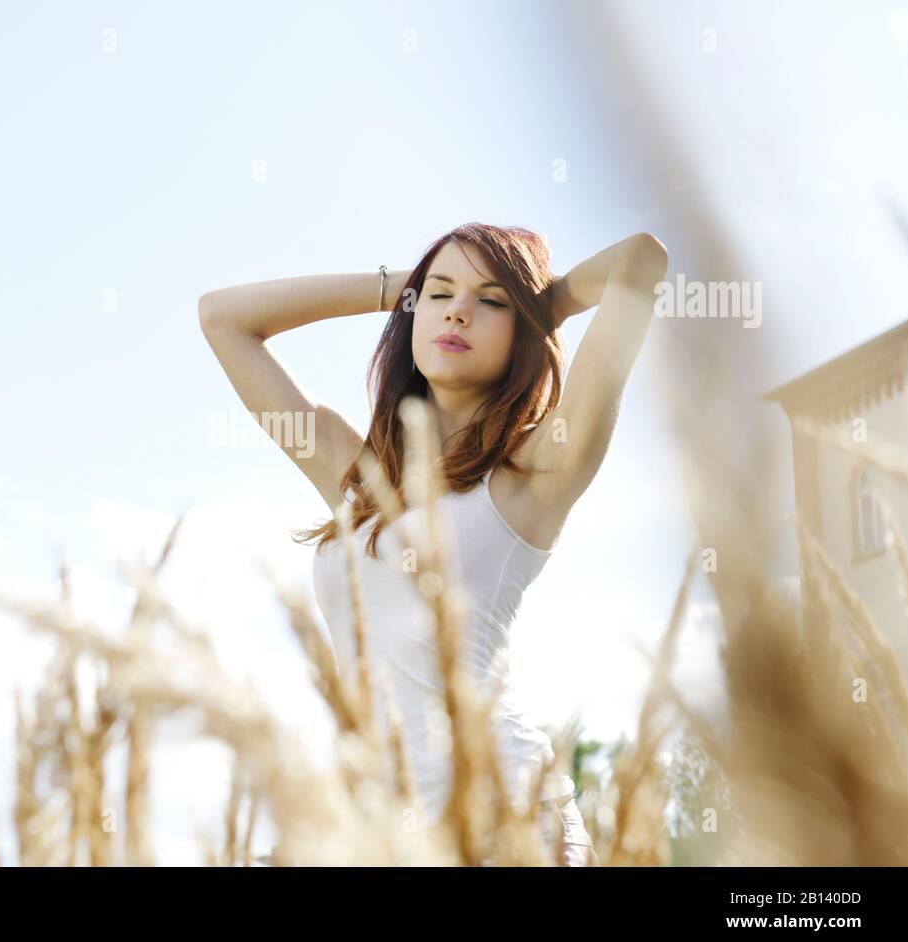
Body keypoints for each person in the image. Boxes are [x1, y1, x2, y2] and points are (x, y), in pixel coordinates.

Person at [199, 222, 667, 865]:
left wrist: (538, 307)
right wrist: (399, 289)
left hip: (504, 815)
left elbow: (640, 260)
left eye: (491, 300)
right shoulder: (356, 477)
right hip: (378, 828)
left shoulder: (534, 475)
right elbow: (223, 318)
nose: (459, 311)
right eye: (441, 294)